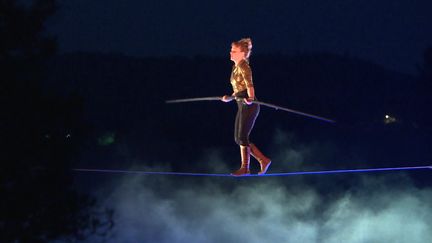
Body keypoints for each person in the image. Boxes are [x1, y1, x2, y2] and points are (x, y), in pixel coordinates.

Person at [221, 38, 271, 176]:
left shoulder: (244, 66)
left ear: (243, 54)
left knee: (242, 136)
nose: (230, 53)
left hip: (249, 105)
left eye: (234, 51)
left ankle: (245, 168)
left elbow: (249, 85)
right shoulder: (235, 67)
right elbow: (238, 89)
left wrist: (250, 98)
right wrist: (229, 97)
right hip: (240, 104)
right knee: (238, 139)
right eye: (231, 50)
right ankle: (263, 160)